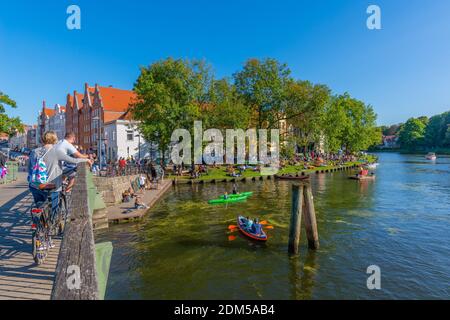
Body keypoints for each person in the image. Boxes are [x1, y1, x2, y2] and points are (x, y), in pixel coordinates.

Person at [28, 131, 92, 250]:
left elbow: (30, 170)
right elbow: (73, 160)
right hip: (52, 186)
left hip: (35, 186)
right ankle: (48, 236)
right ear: (55, 140)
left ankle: (39, 232)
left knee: (39, 207)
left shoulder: (34, 152)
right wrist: (86, 160)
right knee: (53, 212)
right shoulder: (57, 151)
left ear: (42, 140)